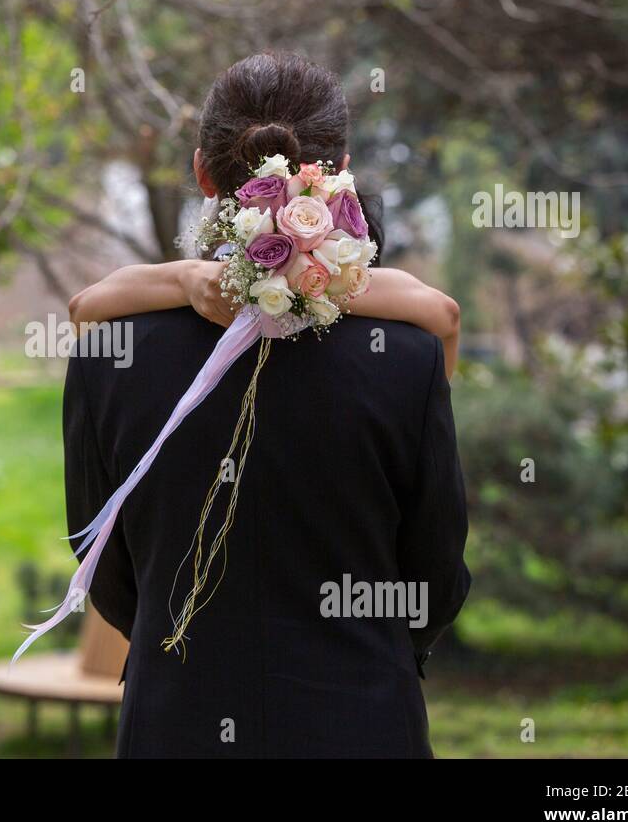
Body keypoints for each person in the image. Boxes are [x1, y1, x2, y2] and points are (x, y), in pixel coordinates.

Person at [61, 51, 470, 757]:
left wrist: (179, 645)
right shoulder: (407, 356)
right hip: (362, 724)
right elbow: (434, 567)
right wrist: (377, 649)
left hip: (175, 725)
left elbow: (100, 558)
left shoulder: (110, 353)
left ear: (201, 171)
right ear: (338, 165)